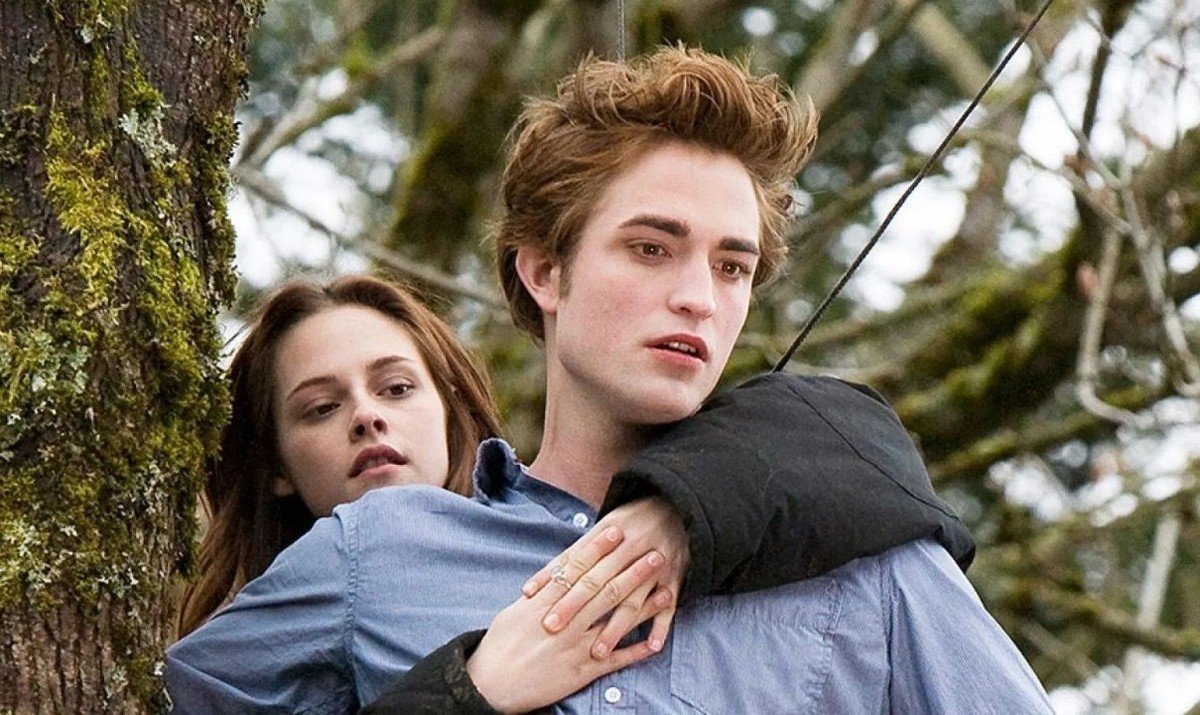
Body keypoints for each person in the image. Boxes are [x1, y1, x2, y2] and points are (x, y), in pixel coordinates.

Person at [168, 46, 1045, 712]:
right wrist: (464, 691)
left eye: (732, 266)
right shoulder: (379, 552)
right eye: (652, 248)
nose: (698, 296)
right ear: (545, 271)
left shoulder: (868, 562)